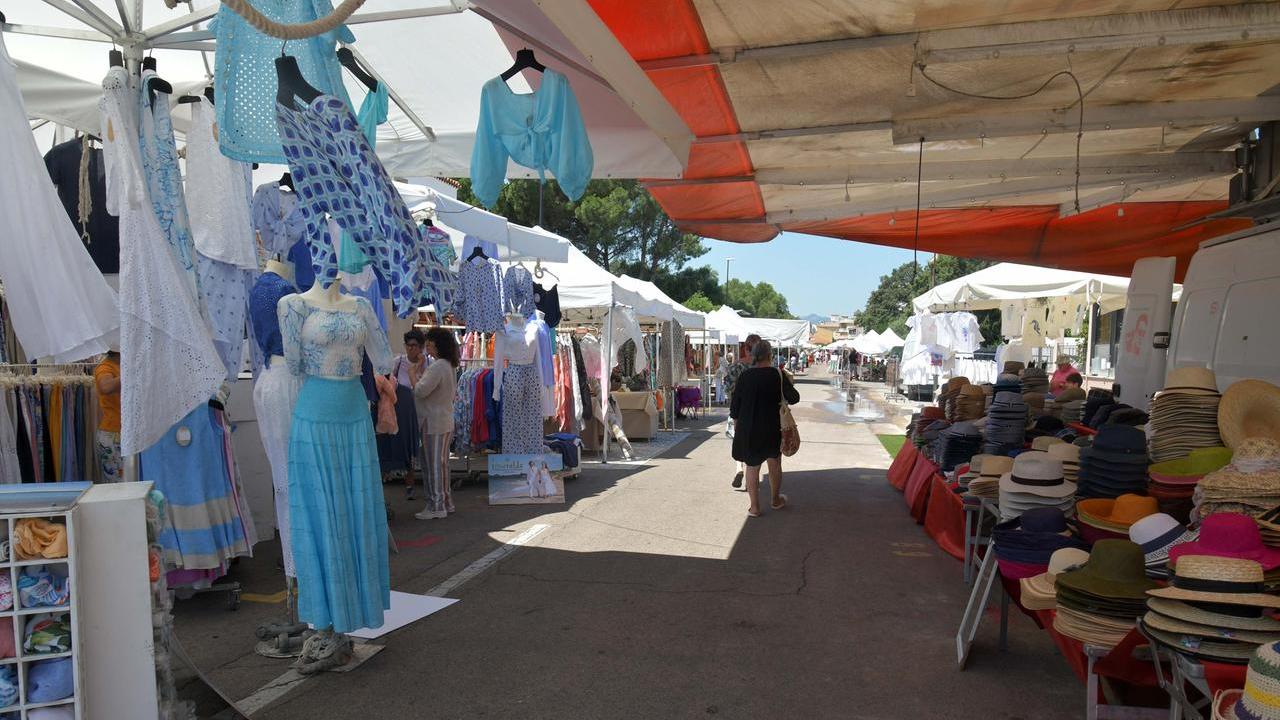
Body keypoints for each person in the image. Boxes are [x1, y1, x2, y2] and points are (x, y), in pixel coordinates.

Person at [730, 340, 800, 517]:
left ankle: (754, 507)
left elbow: (735, 407)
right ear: (770, 355)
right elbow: (794, 398)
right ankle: (775, 500)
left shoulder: (745, 377)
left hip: (749, 428)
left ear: (753, 355)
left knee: (752, 467)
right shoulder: (777, 374)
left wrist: (738, 429)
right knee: (774, 463)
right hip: (772, 427)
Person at [413, 327, 459, 520]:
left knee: (433, 465)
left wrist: (413, 372)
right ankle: (445, 502)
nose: (428, 349)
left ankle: (436, 505)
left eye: (430, 345)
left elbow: (421, 391)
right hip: (443, 419)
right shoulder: (448, 365)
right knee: (441, 464)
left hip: (432, 421)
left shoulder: (438, 366)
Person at [383, 329, 427, 498]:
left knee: (413, 447)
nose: (410, 349)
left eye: (414, 346)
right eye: (408, 346)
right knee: (398, 444)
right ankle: (397, 478)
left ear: (421, 347)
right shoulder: (398, 362)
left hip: (419, 410)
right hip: (399, 410)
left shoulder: (427, 364)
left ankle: (412, 483)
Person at [723, 334, 761, 488]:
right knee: (756, 444)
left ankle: (739, 468)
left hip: (738, 410)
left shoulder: (735, 367)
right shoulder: (762, 368)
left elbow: (727, 390)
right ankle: (752, 479)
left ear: (745, 348)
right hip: (758, 410)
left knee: (739, 440)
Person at [93, 350, 122, 483]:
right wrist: (131, 373)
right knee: (118, 484)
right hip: (114, 434)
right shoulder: (105, 367)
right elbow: (106, 386)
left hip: (123, 432)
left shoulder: (122, 364)